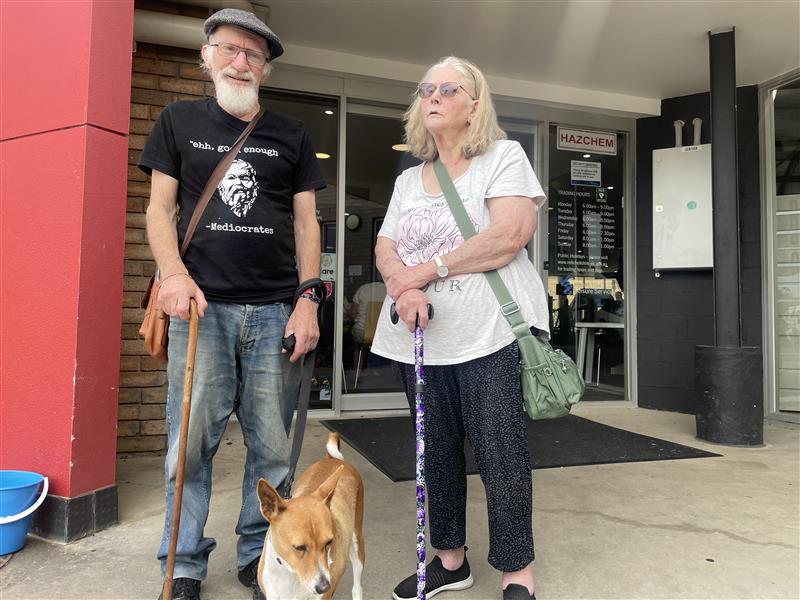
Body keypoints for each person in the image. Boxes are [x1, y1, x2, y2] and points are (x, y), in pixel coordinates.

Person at [139, 8, 325, 600]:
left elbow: (306, 223)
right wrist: (173, 275)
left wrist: (309, 300)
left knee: (271, 448)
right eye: (229, 49)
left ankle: (259, 555)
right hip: (201, 311)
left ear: (265, 69)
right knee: (189, 446)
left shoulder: (292, 135)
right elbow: (158, 209)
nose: (240, 62)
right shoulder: (177, 121)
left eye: (253, 54)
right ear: (206, 55)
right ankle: (184, 564)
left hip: (275, 310)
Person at [371, 56, 549, 600]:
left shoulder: (503, 157)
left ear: (474, 106)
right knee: (436, 454)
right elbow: (385, 246)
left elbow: (510, 235)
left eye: (449, 89)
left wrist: (424, 271)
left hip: (488, 333)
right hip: (421, 338)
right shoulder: (408, 179)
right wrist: (405, 287)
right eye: (426, 88)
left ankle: (516, 570)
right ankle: (449, 560)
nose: (434, 95)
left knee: (501, 453)